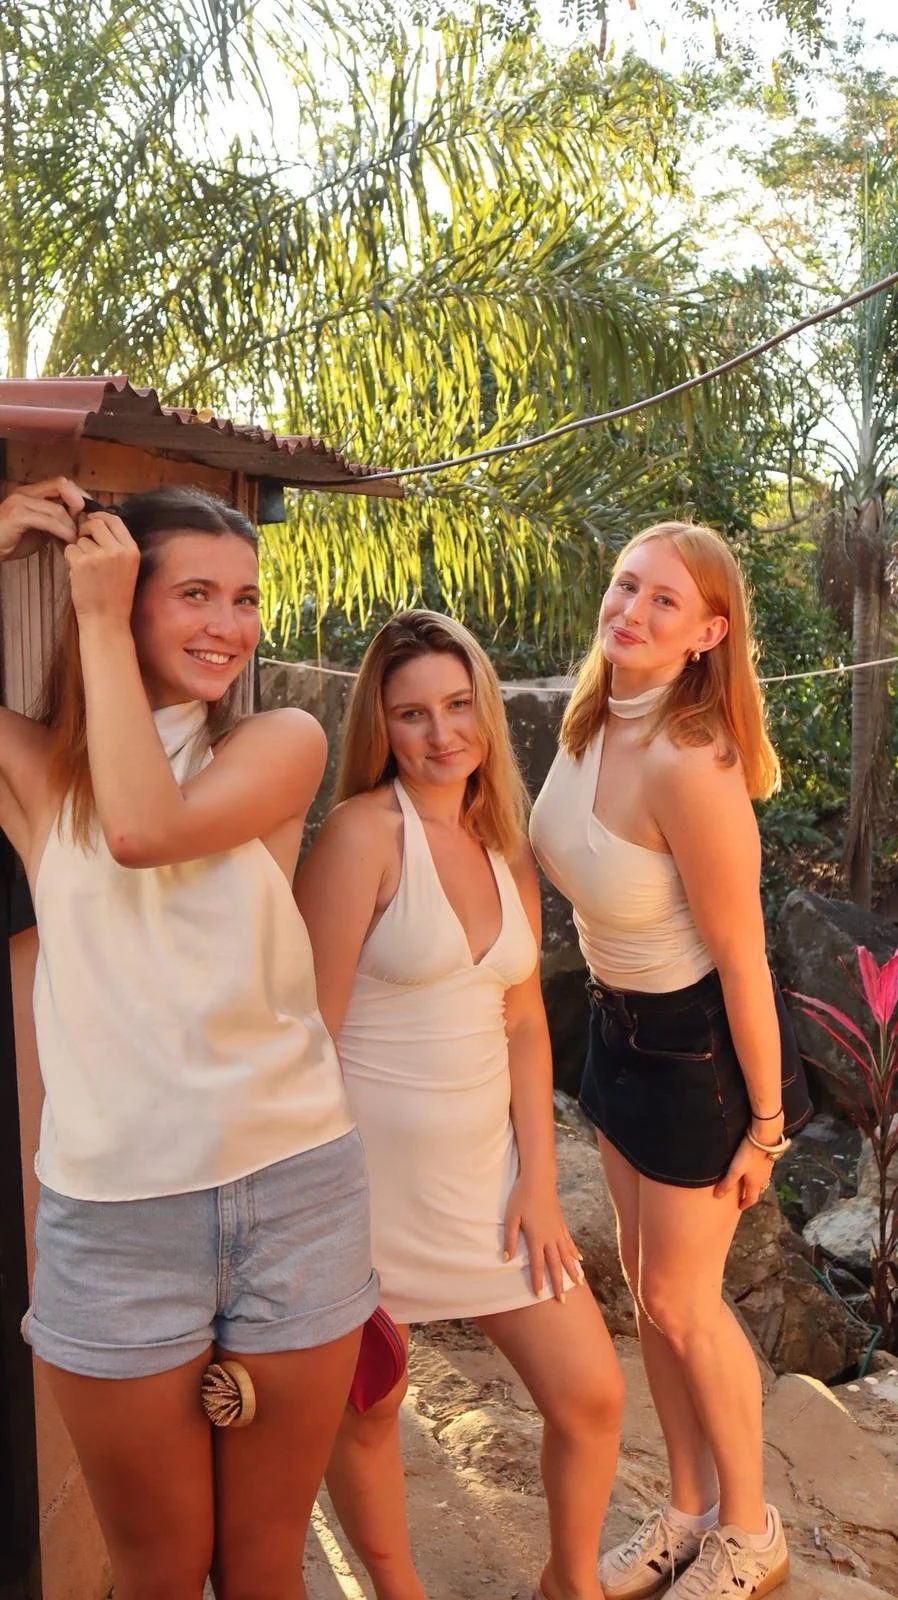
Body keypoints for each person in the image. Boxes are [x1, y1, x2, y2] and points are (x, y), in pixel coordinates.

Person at [0, 477, 377, 1600]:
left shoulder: (278, 744)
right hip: (112, 1224)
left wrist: (106, 620)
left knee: (264, 1568)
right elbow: (110, 810)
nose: (230, 627)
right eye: (198, 595)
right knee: (158, 1572)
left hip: (296, 1191)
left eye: (246, 599)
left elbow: (142, 828)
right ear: (115, 594)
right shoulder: (32, 777)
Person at [295, 609, 624, 1600]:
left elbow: (524, 1024)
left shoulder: (504, 847)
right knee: (367, 1411)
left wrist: (538, 1184)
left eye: (454, 705)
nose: (441, 735)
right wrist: (319, 1215)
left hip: (488, 1186)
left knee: (593, 1395)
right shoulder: (360, 834)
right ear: (380, 727)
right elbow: (306, 1035)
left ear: (482, 708)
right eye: (410, 714)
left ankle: (569, 1584)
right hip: (366, 1190)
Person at [529, 522, 812, 1600]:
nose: (631, 611)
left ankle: (752, 1531)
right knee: (650, 1299)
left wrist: (768, 1127)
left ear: (708, 632)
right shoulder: (590, 714)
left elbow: (744, 961)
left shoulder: (693, 765)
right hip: (615, 1032)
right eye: (625, 584)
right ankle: (688, 1511)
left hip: (698, 1052)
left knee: (690, 1303)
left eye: (663, 601)